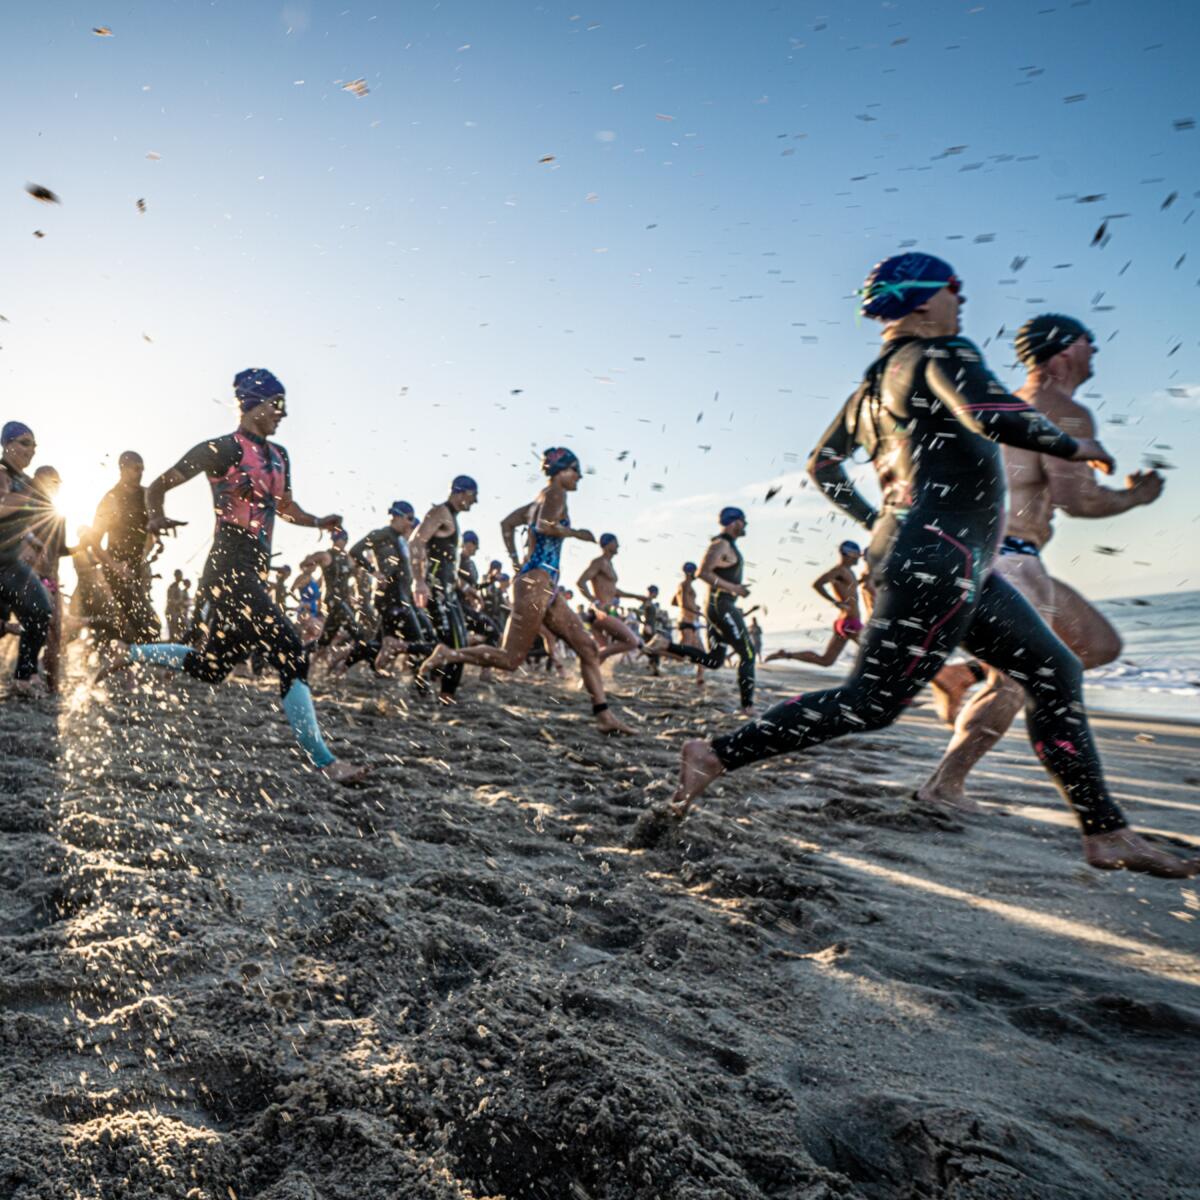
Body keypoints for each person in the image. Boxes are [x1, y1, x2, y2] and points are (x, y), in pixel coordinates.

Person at [662, 252, 1193, 878]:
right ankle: (716, 753)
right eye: (954, 288)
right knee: (871, 703)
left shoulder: (872, 385)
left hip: (935, 554)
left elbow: (822, 466)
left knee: (1053, 667)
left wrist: (879, 522)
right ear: (920, 300)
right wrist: (1075, 444)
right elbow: (989, 413)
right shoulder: (943, 353)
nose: (963, 300)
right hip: (942, 557)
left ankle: (1106, 833)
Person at [917, 312, 1166, 811]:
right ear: (1066, 351)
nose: (1095, 350)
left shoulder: (1007, 406)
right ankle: (944, 786)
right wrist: (1138, 496)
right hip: (1007, 558)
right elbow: (1080, 500)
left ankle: (961, 675)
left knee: (1097, 644)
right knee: (1015, 681)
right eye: (1088, 341)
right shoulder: (1060, 408)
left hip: (995, 556)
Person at [104, 368, 364, 784]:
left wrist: (320, 519)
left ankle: (130, 653)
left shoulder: (281, 457)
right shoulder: (222, 448)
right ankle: (325, 762)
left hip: (253, 571)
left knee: (211, 667)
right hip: (228, 566)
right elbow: (159, 484)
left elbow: (285, 508)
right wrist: (154, 518)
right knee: (292, 652)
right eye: (277, 404)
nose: (284, 413)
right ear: (253, 404)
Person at [419, 447, 632, 733]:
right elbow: (545, 526)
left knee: (588, 649)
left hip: (543, 584)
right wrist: (576, 533)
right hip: (536, 583)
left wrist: (516, 560)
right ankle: (448, 654)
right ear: (561, 471)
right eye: (575, 471)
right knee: (510, 658)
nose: (580, 477)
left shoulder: (537, 500)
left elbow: (507, 524)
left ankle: (604, 715)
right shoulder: (556, 492)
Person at [648, 508, 758, 716]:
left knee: (714, 661)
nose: (746, 525)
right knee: (748, 654)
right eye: (744, 521)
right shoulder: (720, 544)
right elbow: (703, 573)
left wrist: (734, 588)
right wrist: (734, 588)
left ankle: (665, 645)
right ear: (734, 522)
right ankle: (748, 706)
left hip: (718, 607)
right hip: (721, 606)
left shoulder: (728, 546)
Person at [338, 499, 436, 674]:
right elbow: (355, 551)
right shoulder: (382, 534)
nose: (411, 524)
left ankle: (342, 667)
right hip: (391, 596)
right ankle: (422, 686)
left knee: (381, 643)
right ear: (397, 516)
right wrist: (374, 571)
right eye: (410, 519)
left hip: (401, 596)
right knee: (419, 643)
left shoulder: (400, 540)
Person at [411, 476, 478, 702]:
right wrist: (419, 581)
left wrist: (464, 587)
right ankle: (428, 681)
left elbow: (448, 565)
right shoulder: (440, 512)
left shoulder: (453, 519)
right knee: (452, 645)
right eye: (473, 495)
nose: (475, 501)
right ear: (462, 492)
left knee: (458, 644)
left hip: (448, 592)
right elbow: (416, 542)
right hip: (435, 590)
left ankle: (440, 691)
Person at [0, 421, 55, 695]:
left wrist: (32, 540)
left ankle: (24, 676)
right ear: (6, 443)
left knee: (40, 610)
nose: (31, 449)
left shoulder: (22, 479)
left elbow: (16, 523)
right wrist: (30, 491)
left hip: (8, 562)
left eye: (34, 444)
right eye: (24, 442)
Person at [90, 451, 161, 643]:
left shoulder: (147, 496)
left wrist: (150, 550)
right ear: (123, 468)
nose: (141, 473)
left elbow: (152, 532)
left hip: (138, 567)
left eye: (143, 469)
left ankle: (132, 661)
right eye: (136, 469)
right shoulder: (111, 499)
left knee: (150, 624)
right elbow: (94, 541)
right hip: (116, 567)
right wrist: (115, 566)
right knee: (145, 625)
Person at [766, 541, 864, 667]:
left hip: (844, 622)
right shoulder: (839, 570)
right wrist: (835, 602)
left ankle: (786, 655)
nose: (859, 557)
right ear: (848, 553)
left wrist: (863, 581)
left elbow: (849, 589)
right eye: (856, 554)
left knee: (826, 661)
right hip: (851, 622)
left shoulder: (848, 572)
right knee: (874, 652)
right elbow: (817, 584)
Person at [576, 534, 646, 661]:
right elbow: (581, 582)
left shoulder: (609, 564)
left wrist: (636, 597)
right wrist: (594, 600)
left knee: (604, 650)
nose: (618, 545)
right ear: (607, 544)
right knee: (632, 642)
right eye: (615, 542)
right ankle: (589, 662)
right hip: (601, 612)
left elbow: (614, 591)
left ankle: (587, 679)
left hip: (607, 611)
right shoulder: (599, 562)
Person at [671, 562, 706, 686]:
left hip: (690, 621)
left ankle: (700, 678)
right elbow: (684, 603)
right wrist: (696, 611)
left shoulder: (684, 586)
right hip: (687, 621)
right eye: (695, 571)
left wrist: (693, 606)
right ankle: (657, 649)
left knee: (701, 651)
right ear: (691, 572)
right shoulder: (685, 585)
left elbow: (674, 602)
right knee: (683, 654)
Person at [165, 569, 190, 642]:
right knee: (173, 632)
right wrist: (180, 602)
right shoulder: (173, 587)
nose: (181, 577)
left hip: (175, 612)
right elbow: (171, 600)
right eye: (180, 575)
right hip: (171, 611)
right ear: (176, 576)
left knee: (177, 631)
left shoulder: (178, 587)